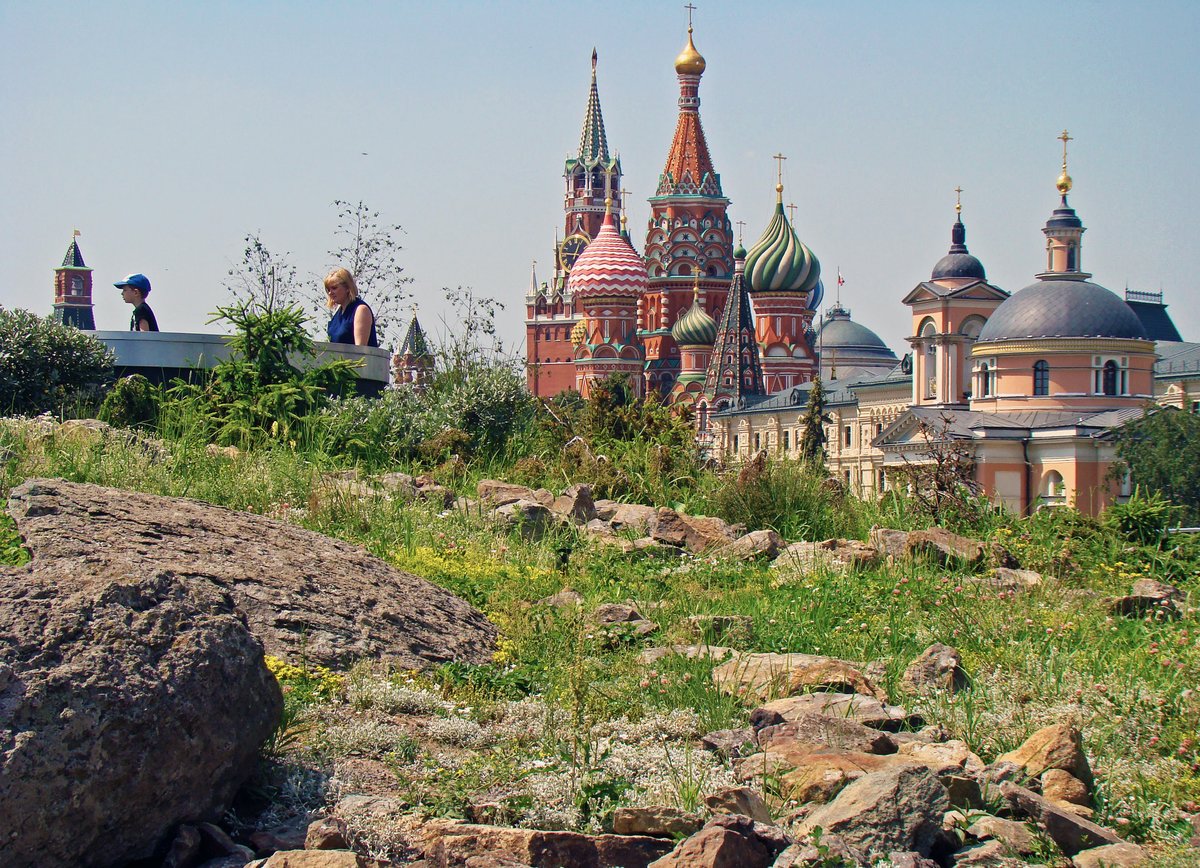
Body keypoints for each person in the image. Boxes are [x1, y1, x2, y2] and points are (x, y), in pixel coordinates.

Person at [324, 267, 378, 347]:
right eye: (328, 289)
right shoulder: (337, 315)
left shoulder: (361, 310)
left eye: (334, 288)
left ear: (347, 288)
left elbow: (360, 350)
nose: (330, 293)